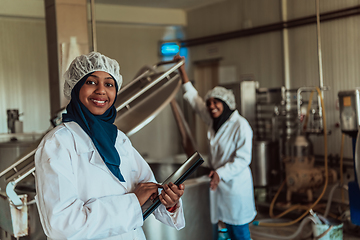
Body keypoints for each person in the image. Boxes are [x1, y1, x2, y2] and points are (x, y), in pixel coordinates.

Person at [34, 52, 185, 240]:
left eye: (109, 84)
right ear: (76, 88)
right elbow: (62, 225)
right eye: (91, 82)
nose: (101, 90)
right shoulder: (58, 143)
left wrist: (168, 202)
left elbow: (148, 193)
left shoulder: (119, 140)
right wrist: (133, 202)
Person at [174, 55, 256, 240]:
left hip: (235, 186)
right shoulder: (214, 121)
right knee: (221, 229)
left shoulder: (240, 125)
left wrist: (221, 173)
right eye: (209, 102)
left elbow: (243, 159)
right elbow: (194, 100)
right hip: (218, 185)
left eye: (216, 102)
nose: (211, 106)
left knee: (239, 232)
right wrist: (182, 71)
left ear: (226, 104)